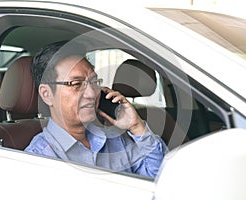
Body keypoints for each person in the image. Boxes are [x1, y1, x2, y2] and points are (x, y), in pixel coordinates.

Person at [25, 41, 167, 178]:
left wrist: (137, 127)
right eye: (76, 84)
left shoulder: (114, 140)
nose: (92, 94)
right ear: (47, 94)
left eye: (94, 82)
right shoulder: (36, 160)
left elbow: (159, 180)